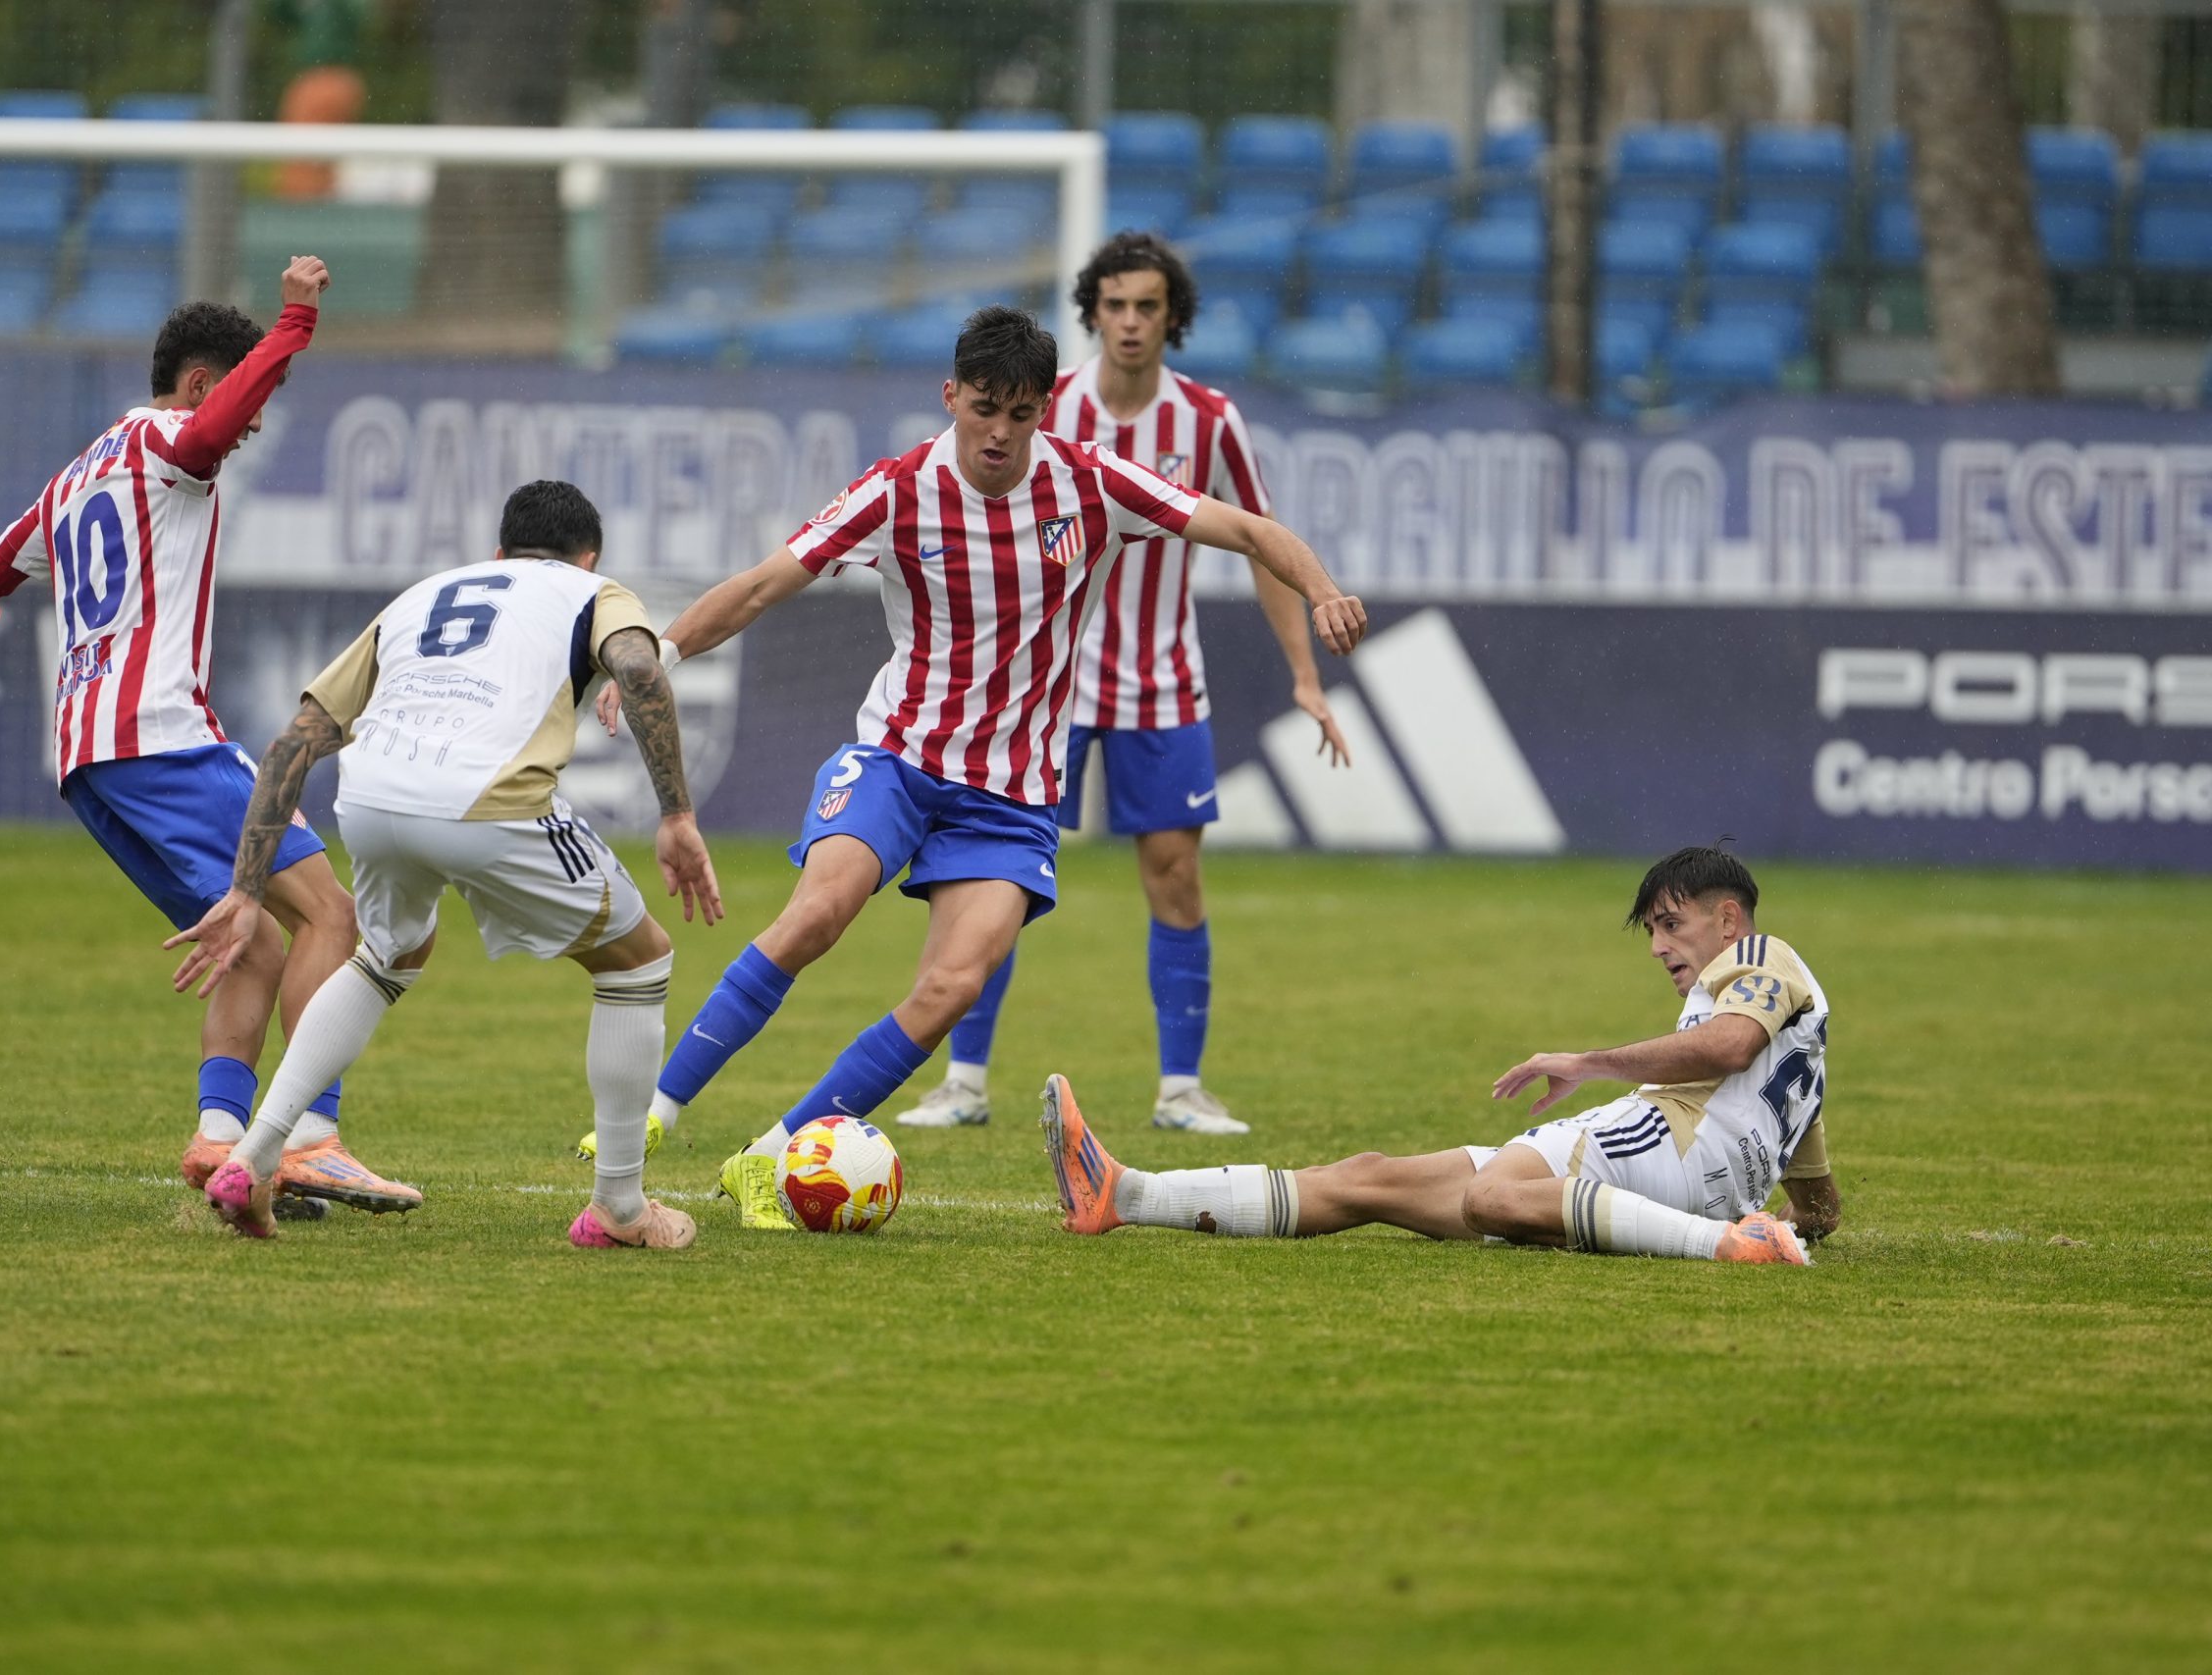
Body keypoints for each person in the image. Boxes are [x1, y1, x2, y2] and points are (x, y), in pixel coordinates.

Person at [600, 305, 1366, 1230]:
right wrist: (659, 659)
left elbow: (1247, 530)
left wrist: (1322, 588)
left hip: (1011, 797)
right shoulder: (897, 489)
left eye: (1022, 414)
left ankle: (774, 1154)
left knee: (952, 986)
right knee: (819, 911)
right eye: (984, 409)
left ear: (1046, 410)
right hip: (899, 756)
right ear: (951, 394)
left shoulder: (1091, 484)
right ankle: (652, 1112)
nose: (1000, 433)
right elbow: (763, 585)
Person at [0, 257, 417, 1218]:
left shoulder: (73, 478)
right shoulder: (170, 439)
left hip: (86, 761)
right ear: (203, 382)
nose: (244, 434)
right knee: (334, 915)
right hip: (162, 736)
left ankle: (217, 1140)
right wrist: (294, 324)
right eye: (247, 408)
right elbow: (204, 429)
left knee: (246, 942)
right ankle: (311, 1138)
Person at [165, 481, 722, 1246]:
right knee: (639, 963)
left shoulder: (420, 596)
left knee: (388, 952)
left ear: (498, 553)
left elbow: (296, 739)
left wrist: (246, 888)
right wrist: (677, 815)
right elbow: (641, 668)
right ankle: (620, 1208)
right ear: (588, 556)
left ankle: (254, 1157)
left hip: (370, 796)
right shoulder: (596, 590)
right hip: (488, 799)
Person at [897, 231, 1350, 1138]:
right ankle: (964, 1078)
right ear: (1092, 313)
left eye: (1148, 306)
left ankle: (1181, 1088)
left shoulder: (1209, 419)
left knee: (1175, 877)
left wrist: (1304, 673)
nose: (1131, 322)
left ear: (1171, 316)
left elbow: (1259, 540)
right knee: (989, 877)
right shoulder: (1041, 405)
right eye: (1115, 306)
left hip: (1162, 680)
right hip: (1040, 688)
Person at [1038, 845, 1831, 1266]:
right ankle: (1122, 1194)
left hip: (1660, 1147)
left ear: (1729, 918)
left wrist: (1590, 1059)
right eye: (1652, 930)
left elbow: (1727, 1046)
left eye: (1671, 923)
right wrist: (1786, 1216)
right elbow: (1822, 1207)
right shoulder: (1796, 1045)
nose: (1658, 945)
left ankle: (1725, 1247)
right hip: (1681, 1170)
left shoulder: (1762, 956)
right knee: (1369, 1176)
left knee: (1491, 1198)